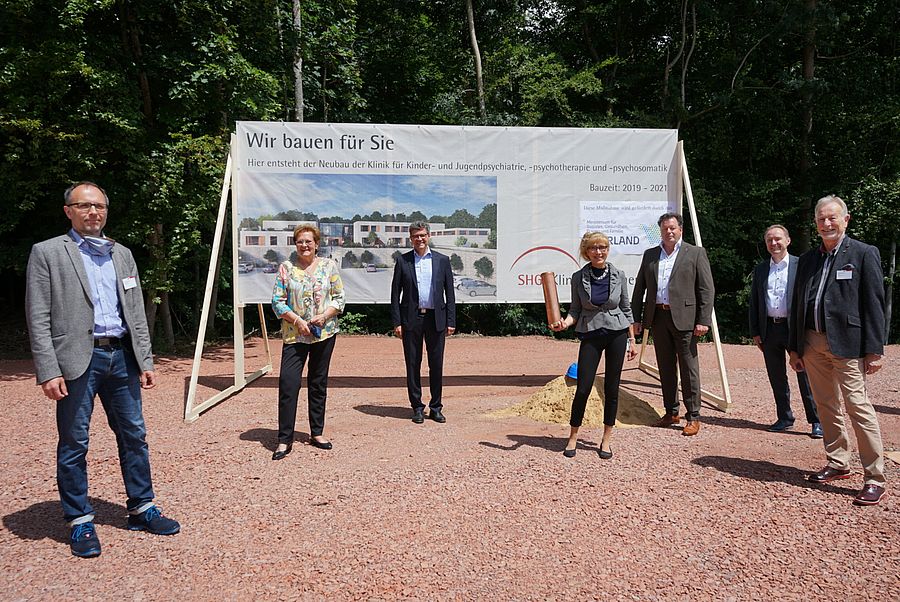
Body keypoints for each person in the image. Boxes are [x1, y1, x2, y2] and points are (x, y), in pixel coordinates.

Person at [25, 181, 180, 558]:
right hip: (78, 360)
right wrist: (48, 369)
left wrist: (145, 359)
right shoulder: (47, 253)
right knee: (75, 442)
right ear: (69, 211)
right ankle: (79, 521)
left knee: (134, 436)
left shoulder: (122, 254)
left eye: (99, 207)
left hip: (121, 358)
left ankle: (141, 509)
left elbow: (136, 312)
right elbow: (38, 315)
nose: (93, 213)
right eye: (85, 206)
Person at [788, 195, 887, 506]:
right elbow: (797, 304)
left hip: (848, 345)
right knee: (825, 405)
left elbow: (874, 304)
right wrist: (795, 347)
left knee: (858, 407)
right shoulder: (807, 259)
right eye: (821, 219)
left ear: (846, 220)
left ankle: (874, 477)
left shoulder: (862, 254)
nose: (826, 223)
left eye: (832, 218)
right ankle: (838, 463)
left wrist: (874, 349)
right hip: (813, 343)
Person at [550, 232, 638, 459]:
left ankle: (606, 439)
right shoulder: (578, 277)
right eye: (594, 248)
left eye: (603, 247)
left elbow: (626, 309)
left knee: (611, 388)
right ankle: (573, 436)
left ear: (607, 249)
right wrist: (564, 324)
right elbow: (575, 311)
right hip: (590, 334)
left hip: (617, 334)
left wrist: (632, 340)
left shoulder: (619, 274)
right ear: (586, 251)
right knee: (583, 387)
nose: (599, 252)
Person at [631, 212, 715, 436]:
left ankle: (693, 416)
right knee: (665, 368)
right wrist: (636, 319)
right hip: (658, 318)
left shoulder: (695, 253)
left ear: (680, 230)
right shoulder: (650, 255)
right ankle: (671, 412)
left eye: (672, 228)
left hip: (686, 320)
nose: (668, 231)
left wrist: (703, 320)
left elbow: (706, 289)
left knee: (689, 369)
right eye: (664, 228)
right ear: (660, 231)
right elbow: (639, 288)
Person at [271, 225, 345, 460]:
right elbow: (277, 301)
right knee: (288, 384)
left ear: (316, 244)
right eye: (300, 241)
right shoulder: (286, 268)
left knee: (318, 382)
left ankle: (317, 433)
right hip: (295, 335)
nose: (304, 245)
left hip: (324, 333)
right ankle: (284, 440)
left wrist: (324, 316)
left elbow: (339, 298)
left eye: (308, 241)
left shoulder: (328, 266)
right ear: (295, 244)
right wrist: (297, 320)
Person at [749, 225, 822, 437]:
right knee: (776, 376)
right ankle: (784, 417)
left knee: (805, 376)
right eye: (770, 240)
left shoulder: (802, 266)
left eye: (778, 239)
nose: (774, 243)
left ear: (788, 241)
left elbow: (810, 300)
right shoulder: (761, 269)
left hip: (795, 330)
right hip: (770, 329)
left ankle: (816, 420)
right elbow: (755, 302)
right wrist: (756, 331)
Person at [390, 221, 456, 423]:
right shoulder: (403, 261)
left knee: (436, 365)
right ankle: (417, 407)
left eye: (423, 235)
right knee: (413, 364)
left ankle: (436, 407)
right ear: (411, 239)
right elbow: (395, 294)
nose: (420, 239)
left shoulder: (442, 261)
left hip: (436, 319)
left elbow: (450, 294)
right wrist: (397, 322)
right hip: (411, 319)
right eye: (415, 236)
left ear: (429, 236)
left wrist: (451, 321)